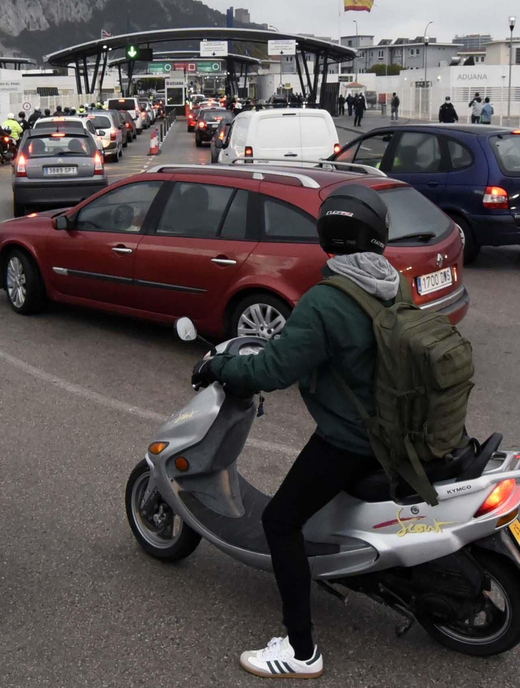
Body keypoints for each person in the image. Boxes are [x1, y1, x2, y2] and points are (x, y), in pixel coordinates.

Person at [192, 183, 400, 680]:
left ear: (331, 235)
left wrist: (224, 367)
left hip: (351, 437)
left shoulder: (328, 302)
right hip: (394, 423)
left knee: (280, 522)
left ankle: (301, 650)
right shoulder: (392, 281)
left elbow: (271, 372)